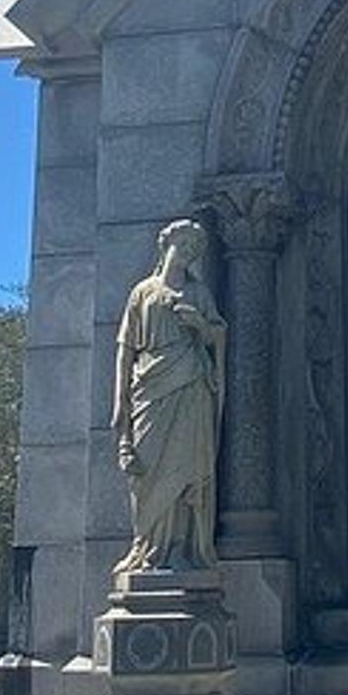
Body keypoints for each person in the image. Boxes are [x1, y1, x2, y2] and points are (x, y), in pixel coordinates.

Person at [113, 218, 227, 575]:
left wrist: (201, 326)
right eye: (184, 245)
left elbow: (217, 336)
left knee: (186, 469)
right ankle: (145, 548)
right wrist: (120, 400)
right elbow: (125, 349)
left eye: (194, 250)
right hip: (150, 385)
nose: (188, 253)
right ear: (165, 246)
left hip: (190, 384)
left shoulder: (199, 294)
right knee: (146, 474)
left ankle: (179, 549)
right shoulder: (142, 292)